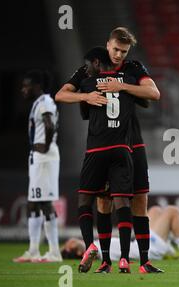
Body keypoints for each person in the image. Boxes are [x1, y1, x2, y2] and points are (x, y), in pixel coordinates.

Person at [55, 27, 161, 273]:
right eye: (115, 49)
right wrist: (85, 97)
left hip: (133, 142)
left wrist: (122, 86)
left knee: (139, 199)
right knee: (103, 201)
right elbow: (61, 94)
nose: (118, 55)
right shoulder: (90, 69)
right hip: (107, 144)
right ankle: (106, 260)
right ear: (107, 44)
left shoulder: (133, 68)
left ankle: (144, 261)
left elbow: (153, 93)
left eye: (123, 51)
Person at [73, 47, 141, 274]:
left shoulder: (88, 84)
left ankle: (91, 245)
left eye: (88, 65)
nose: (86, 70)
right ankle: (123, 259)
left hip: (96, 149)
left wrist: (84, 95)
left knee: (86, 200)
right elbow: (149, 100)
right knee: (122, 202)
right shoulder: (129, 81)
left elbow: (71, 102)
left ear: (96, 62)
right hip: (122, 149)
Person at [61, 205, 179, 271]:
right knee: (172, 211)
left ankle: (169, 252)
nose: (71, 240)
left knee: (155, 210)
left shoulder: (95, 246)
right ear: (80, 253)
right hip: (150, 249)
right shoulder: (94, 251)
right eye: (70, 244)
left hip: (139, 243)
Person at [14, 70, 62, 263]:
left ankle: (54, 251)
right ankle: (33, 250)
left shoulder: (45, 102)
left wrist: (46, 145)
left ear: (37, 86)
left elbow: (50, 125)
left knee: (44, 203)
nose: (23, 89)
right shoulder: (39, 103)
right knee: (33, 203)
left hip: (44, 158)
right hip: (38, 157)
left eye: (27, 85)